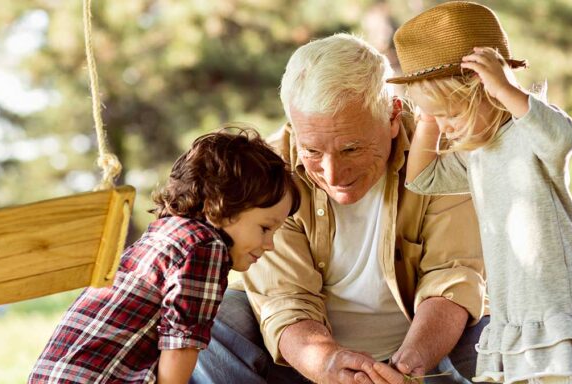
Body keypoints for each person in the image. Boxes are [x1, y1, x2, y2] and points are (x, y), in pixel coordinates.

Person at [192, 34, 488, 384]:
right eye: (313, 151)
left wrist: (409, 366)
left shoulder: (443, 153)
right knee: (213, 318)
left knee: (506, 332)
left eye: (350, 149)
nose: (332, 175)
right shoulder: (268, 174)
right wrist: (327, 365)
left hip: (431, 353)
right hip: (306, 363)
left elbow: (452, 277)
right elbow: (286, 299)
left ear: (393, 117)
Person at [390, 2, 572, 383]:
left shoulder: (529, 134)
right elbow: (422, 179)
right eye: (438, 118)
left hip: (558, 307)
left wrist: (507, 88)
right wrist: (429, 117)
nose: (445, 128)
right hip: (515, 314)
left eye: (452, 113)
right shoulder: (475, 152)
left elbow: (564, 136)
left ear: (486, 90)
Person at [28, 126, 301, 384]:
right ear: (223, 208)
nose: (270, 245)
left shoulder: (165, 234)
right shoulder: (205, 249)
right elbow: (181, 345)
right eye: (265, 228)